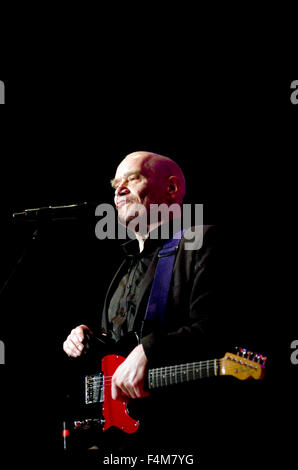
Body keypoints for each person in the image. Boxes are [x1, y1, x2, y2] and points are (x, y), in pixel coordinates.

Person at [63, 151, 226, 462]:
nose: (118, 190)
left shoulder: (202, 242)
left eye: (132, 179)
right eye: (115, 184)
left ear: (172, 189)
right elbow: (118, 347)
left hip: (181, 435)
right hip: (123, 442)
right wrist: (87, 339)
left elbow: (216, 327)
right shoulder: (125, 268)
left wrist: (150, 348)